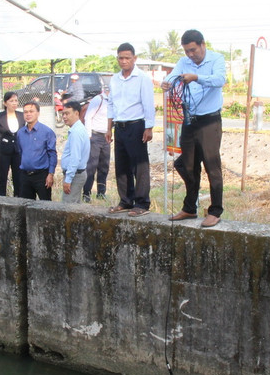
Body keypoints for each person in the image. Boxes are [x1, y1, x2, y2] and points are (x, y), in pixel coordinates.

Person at [162, 29, 226, 228]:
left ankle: (215, 211)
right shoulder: (183, 62)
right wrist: (168, 83)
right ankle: (190, 208)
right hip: (189, 119)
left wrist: (196, 77)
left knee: (211, 165)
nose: (190, 54)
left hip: (209, 121)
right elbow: (173, 77)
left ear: (202, 44)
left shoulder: (216, 59)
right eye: (187, 51)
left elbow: (219, 80)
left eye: (193, 50)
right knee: (187, 165)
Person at [106, 42, 155, 217]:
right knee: (122, 165)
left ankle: (142, 203)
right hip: (119, 127)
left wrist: (149, 127)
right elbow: (111, 104)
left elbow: (148, 103)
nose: (124, 61)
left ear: (134, 58)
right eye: (121, 58)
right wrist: (109, 128)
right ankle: (126, 201)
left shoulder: (142, 78)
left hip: (136, 126)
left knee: (139, 166)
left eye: (127, 57)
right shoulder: (115, 79)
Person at [15, 101, 57, 200]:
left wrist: (50, 174)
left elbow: (52, 154)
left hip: (42, 176)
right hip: (25, 175)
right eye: (25, 112)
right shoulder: (20, 133)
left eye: (31, 111)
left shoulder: (47, 132)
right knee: (25, 206)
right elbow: (20, 152)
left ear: (38, 113)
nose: (28, 114)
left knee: (45, 206)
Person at [0, 91, 25, 196]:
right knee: (3, 176)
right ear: (5, 103)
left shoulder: (21, 115)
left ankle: (18, 198)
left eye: (16, 101)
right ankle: (1, 198)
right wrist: (2, 143)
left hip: (18, 151)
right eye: (11, 101)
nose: (14, 103)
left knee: (18, 177)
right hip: (4, 151)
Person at [82, 85, 110, 202]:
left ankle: (101, 193)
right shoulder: (98, 99)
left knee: (104, 166)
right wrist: (89, 136)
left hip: (106, 137)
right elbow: (88, 117)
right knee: (91, 166)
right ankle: (86, 193)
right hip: (95, 135)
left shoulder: (112, 101)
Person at [59, 100, 90, 203]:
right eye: (63, 114)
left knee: (67, 208)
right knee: (74, 208)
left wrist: (68, 179)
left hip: (75, 175)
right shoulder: (76, 129)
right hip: (76, 174)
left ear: (76, 113)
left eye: (67, 113)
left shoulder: (76, 132)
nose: (64, 117)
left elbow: (75, 158)